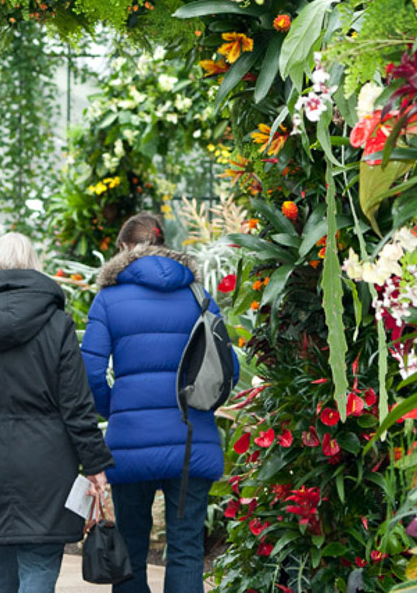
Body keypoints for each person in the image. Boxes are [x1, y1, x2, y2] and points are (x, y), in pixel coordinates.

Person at [0, 232, 113, 593]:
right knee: (40, 564)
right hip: (48, 466)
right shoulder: (57, 324)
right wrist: (94, 466)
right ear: (33, 268)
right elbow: (77, 404)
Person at [81, 213, 237, 593]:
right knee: (185, 548)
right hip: (191, 440)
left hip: (130, 443)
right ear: (164, 244)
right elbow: (227, 367)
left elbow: (89, 372)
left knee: (131, 548)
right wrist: (202, 404)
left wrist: (112, 408)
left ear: (123, 248)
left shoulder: (109, 298)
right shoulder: (199, 296)